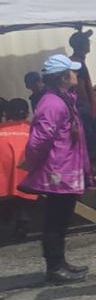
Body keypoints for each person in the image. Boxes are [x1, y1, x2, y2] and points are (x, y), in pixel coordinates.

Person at [22, 54, 93, 284]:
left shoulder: (62, 99)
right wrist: (33, 164)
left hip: (64, 167)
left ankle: (60, 263)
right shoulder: (53, 103)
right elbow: (40, 139)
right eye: (72, 71)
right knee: (55, 219)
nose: (76, 74)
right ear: (63, 76)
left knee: (61, 218)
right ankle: (54, 267)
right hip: (57, 170)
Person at [0, 99, 37, 241]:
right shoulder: (34, 131)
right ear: (27, 113)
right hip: (30, 180)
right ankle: (22, 221)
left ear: (6, 113)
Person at [69, 30, 96, 118]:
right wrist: (89, 110)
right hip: (83, 110)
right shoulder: (77, 63)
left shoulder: (74, 61)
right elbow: (81, 90)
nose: (89, 43)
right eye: (86, 40)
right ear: (81, 45)